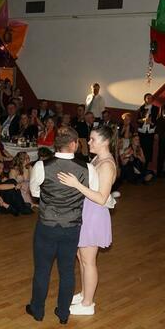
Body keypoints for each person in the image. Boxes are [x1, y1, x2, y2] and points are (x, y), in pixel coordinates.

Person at [26, 126, 98, 325]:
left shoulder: (41, 165)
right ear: (74, 144)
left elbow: (35, 192)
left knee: (42, 269)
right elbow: (93, 194)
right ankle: (63, 313)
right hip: (72, 227)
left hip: (47, 226)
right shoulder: (87, 168)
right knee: (67, 271)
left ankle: (38, 310)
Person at [57, 125, 116, 316]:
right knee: (81, 257)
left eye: (92, 139)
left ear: (105, 142)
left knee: (88, 261)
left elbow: (101, 198)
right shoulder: (98, 159)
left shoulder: (107, 165)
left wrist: (76, 184)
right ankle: (84, 294)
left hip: (94, 214)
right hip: (87, 211)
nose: (88, 142)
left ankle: (88, 304)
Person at [137, 93, 159, 169]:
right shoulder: (141, 108)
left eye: (151, 98)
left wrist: (151, 123)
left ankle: (145, 167)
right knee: (141, 148)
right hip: (142, 131)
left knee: (148, 150)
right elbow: (137, 120)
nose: (149, 99)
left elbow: (158, 121)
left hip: (150, 132)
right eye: (148, 98)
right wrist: (143, 120)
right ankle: (139, 166)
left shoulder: (156, 109)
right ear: (145, 99)